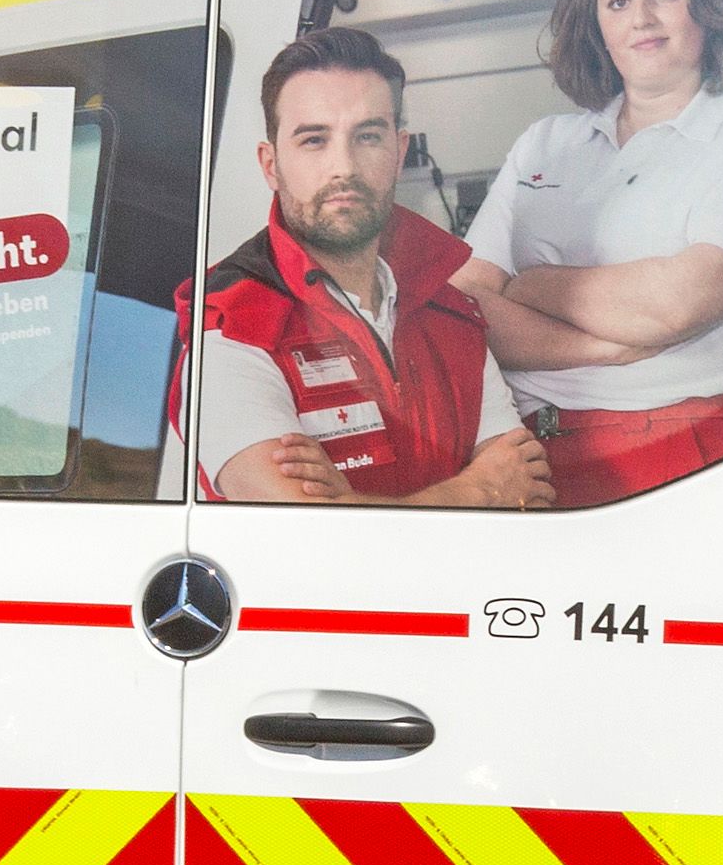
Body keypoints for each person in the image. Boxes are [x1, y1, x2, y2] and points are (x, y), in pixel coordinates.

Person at [454, 0, 723, 508]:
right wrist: (607, 346)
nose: (641, 18)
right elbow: (461, 309)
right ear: (596, 26)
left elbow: (678, 303)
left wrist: (530, 285)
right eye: (617, 2)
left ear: (710, 4)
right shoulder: (544, 144)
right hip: (531, 456)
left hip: (691, 447)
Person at [189, 27, 551, 508]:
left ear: (399, 153)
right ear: (271, 165)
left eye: (367, 136)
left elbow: (526, 495)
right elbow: (304, 531)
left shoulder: (454, 316)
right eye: (314, 140)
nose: (344, 166)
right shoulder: (229, 331)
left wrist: (356, 505)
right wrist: (479, 489)